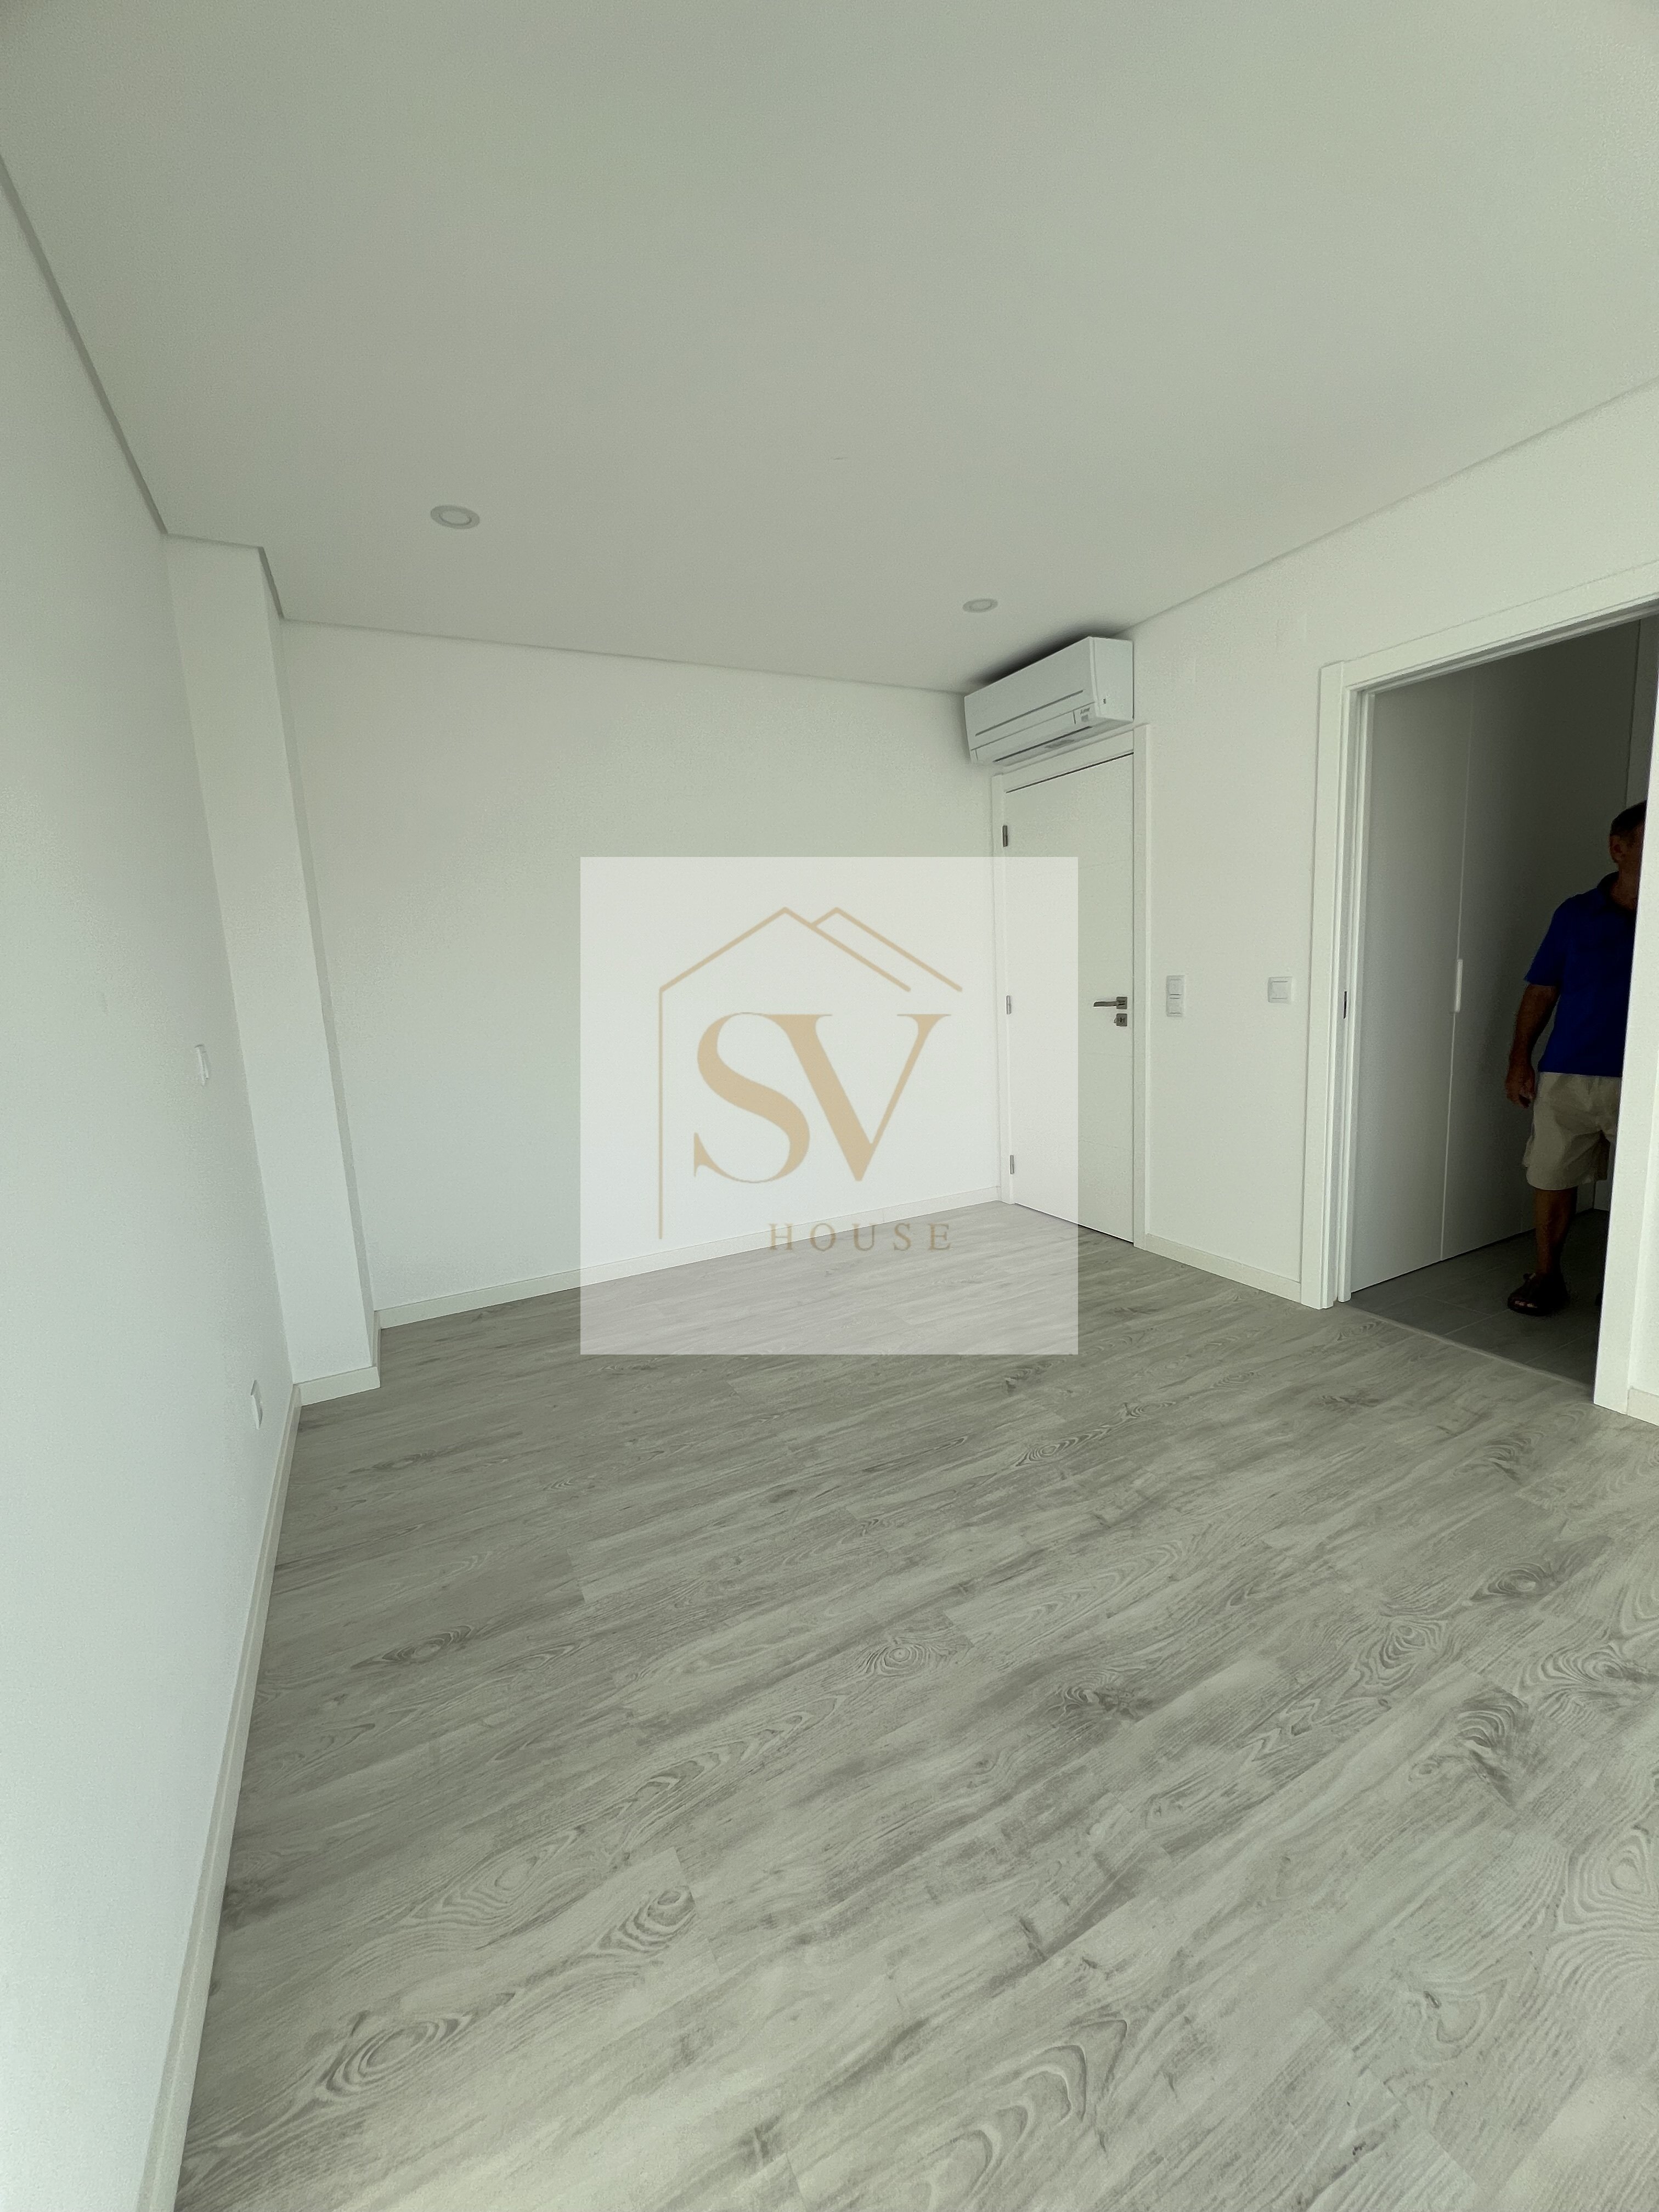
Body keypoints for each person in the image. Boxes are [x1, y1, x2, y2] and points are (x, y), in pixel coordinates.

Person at [1504, 799, 1645, 1314]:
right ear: (1618, 849)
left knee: (1644, 1191)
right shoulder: (1575, 914)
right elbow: (1542, 989)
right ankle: (1547, 1278)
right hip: (1568, 1073)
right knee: (1551, 1177)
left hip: (1647, 1080)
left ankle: (1629, 1294)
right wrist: (1519, 1060)